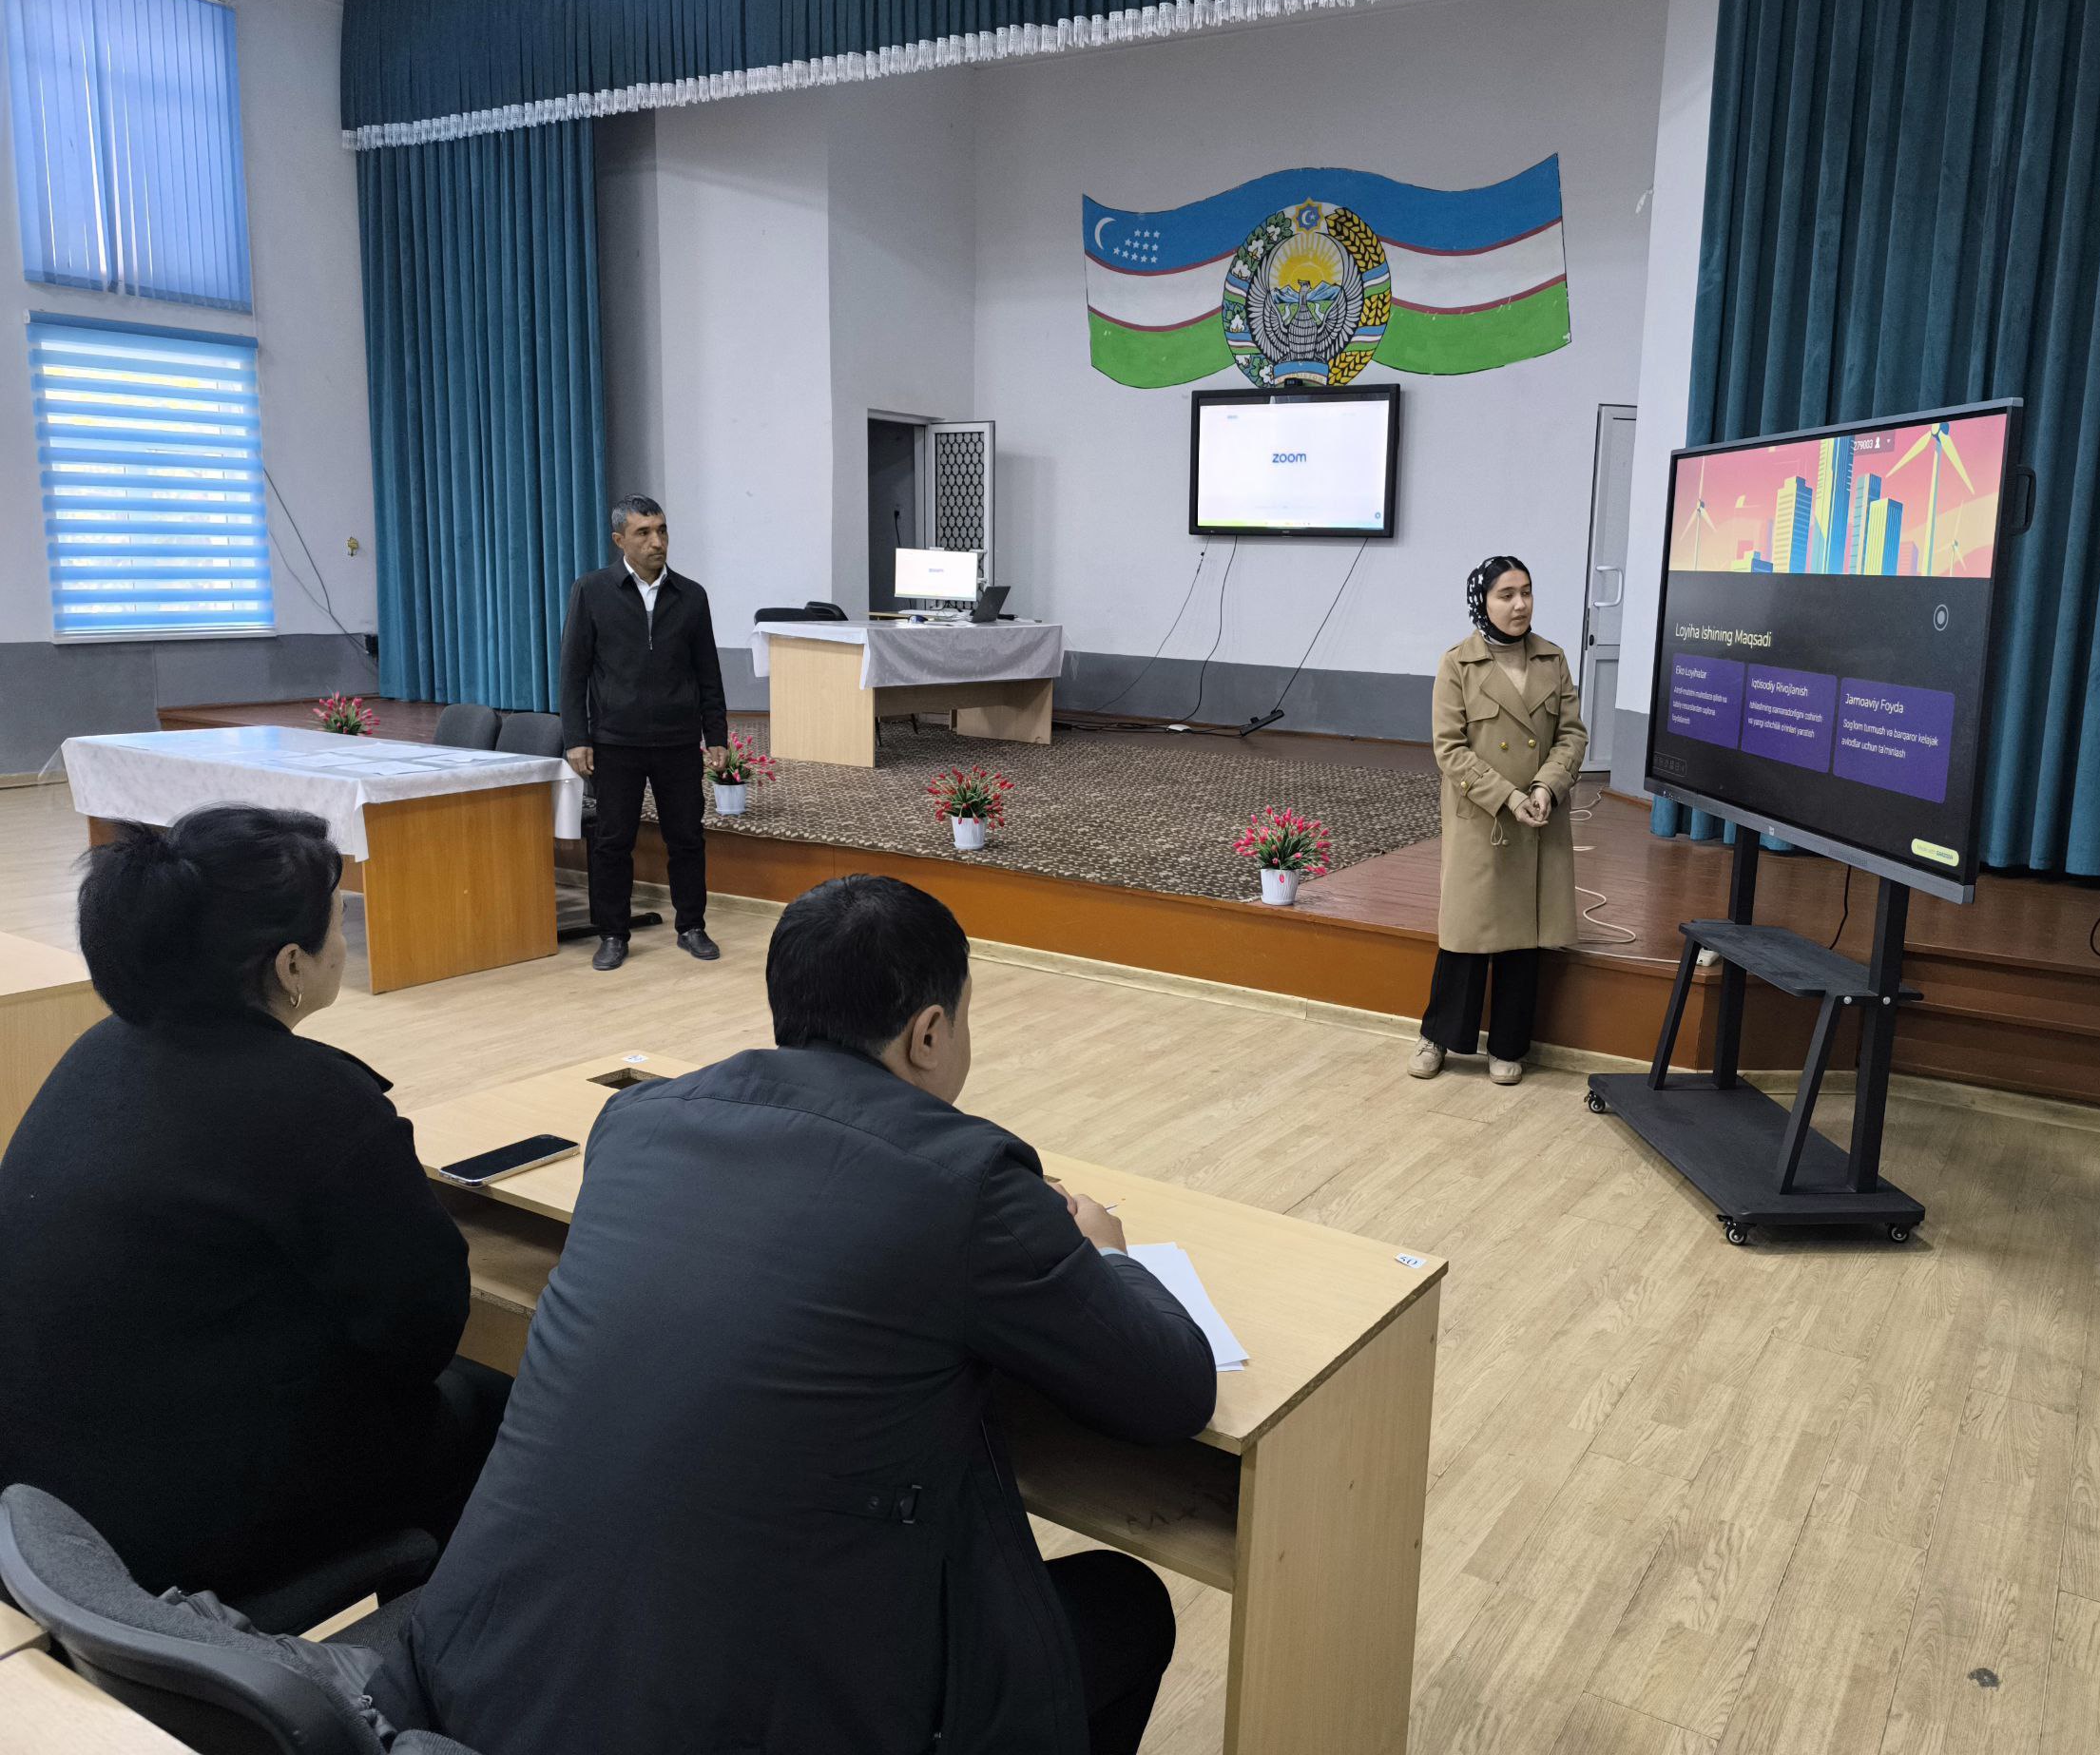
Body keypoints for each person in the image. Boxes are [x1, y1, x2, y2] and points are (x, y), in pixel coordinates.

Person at [407, 875, 1217, 1755]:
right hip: (739, 1716)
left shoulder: (636, 1120)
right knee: (1127, 1606)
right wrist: (1105, 1253)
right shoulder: (968, 1180)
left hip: (484, 1666)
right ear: (930, 1032)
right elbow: (1170, 1390)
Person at [0, 807, 508, 1621]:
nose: (345, 941)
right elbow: (421, 1334)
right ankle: (447, 1648)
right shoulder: (315, 1101)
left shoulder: (99, 1051)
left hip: (44, 1507)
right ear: (291, 964)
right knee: (492, 1396)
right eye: (338, 922)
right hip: (169, 1536)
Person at [1411, 554, 1589, 1086]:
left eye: (1526, 592)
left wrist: (1546, 787)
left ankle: (1509, 1045)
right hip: (1483, 817)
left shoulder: (1553, 659)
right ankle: (1439, 1037)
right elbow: (1449, 748)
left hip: (1539, 816)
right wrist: (1508, 797)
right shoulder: (1457, 664)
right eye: (1506, 594)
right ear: (1482, 601)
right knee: (1466, 934)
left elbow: (1572, 735)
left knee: (1523, 935)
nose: (1520, 604)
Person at [558, 492, 727, 971]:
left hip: (678, 741)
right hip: (615, 741)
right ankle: (613, 933)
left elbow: (708, 671)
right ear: (620, 540)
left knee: (687, 838)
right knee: (613, 842)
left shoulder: (691, 596)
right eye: (644, 533)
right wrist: (576, 737)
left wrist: (716, 734)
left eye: (662, 530)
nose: (657, 542)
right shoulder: (592, 590)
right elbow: (573, 671)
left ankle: (692, 926)